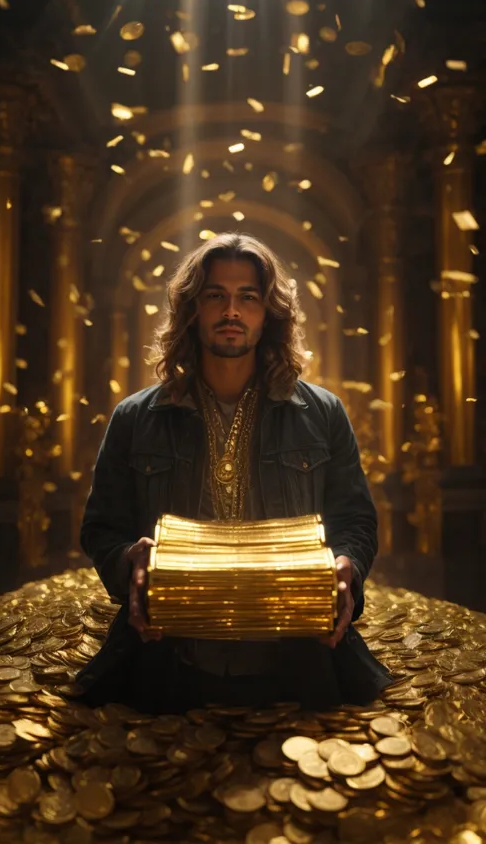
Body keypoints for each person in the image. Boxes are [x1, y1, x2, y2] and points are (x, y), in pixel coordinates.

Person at [76, 232, 392, 712]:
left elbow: (356, 522)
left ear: (269, 314)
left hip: (297, 665)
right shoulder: (135, 417)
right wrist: (128, 563)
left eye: (248, 297)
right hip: (168, 664)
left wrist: (347, 565)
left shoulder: (323, 413)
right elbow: (100, 528)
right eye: (215, 296)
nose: (231, 312)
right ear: (192, 309)